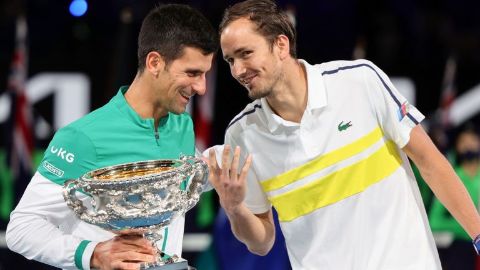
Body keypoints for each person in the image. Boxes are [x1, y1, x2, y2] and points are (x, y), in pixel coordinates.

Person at [206, 0, 480, 269]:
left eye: (246, 53)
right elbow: (262, 243)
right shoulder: (242, 134)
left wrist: (478, 236)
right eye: (230, 60)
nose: (237, 70)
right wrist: (234, 208)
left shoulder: (360, 81)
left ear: (281, 45)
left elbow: (430, 162)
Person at [6, 4, 217, 270]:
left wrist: (223, 165)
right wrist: (91, 254)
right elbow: (22, 228)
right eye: (192, 73)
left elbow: (181, 182)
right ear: (154, 63)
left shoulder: (182, 125)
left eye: (205, 73)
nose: (201, 87)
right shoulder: (82, 138)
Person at [429, 126, 480, 270]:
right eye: (463, 142)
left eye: (472, 141)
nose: (468, 146)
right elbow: (434, 221)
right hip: (462, 249)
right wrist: (466, 228)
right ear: (457, 147)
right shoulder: (451, 177)